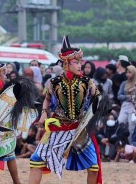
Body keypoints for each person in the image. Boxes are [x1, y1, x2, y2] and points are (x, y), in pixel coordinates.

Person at [29, 36, 102, 184]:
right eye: (76, 62)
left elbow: (98, 98)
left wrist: (96, 111)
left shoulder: (87, 82)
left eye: (80, 62)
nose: (80, 65)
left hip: (79, 129)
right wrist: (43, 113)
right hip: (58, 127)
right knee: (36, 161)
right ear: (66, 64)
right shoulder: (54, 82)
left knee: (94, 166)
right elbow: (47, 99)